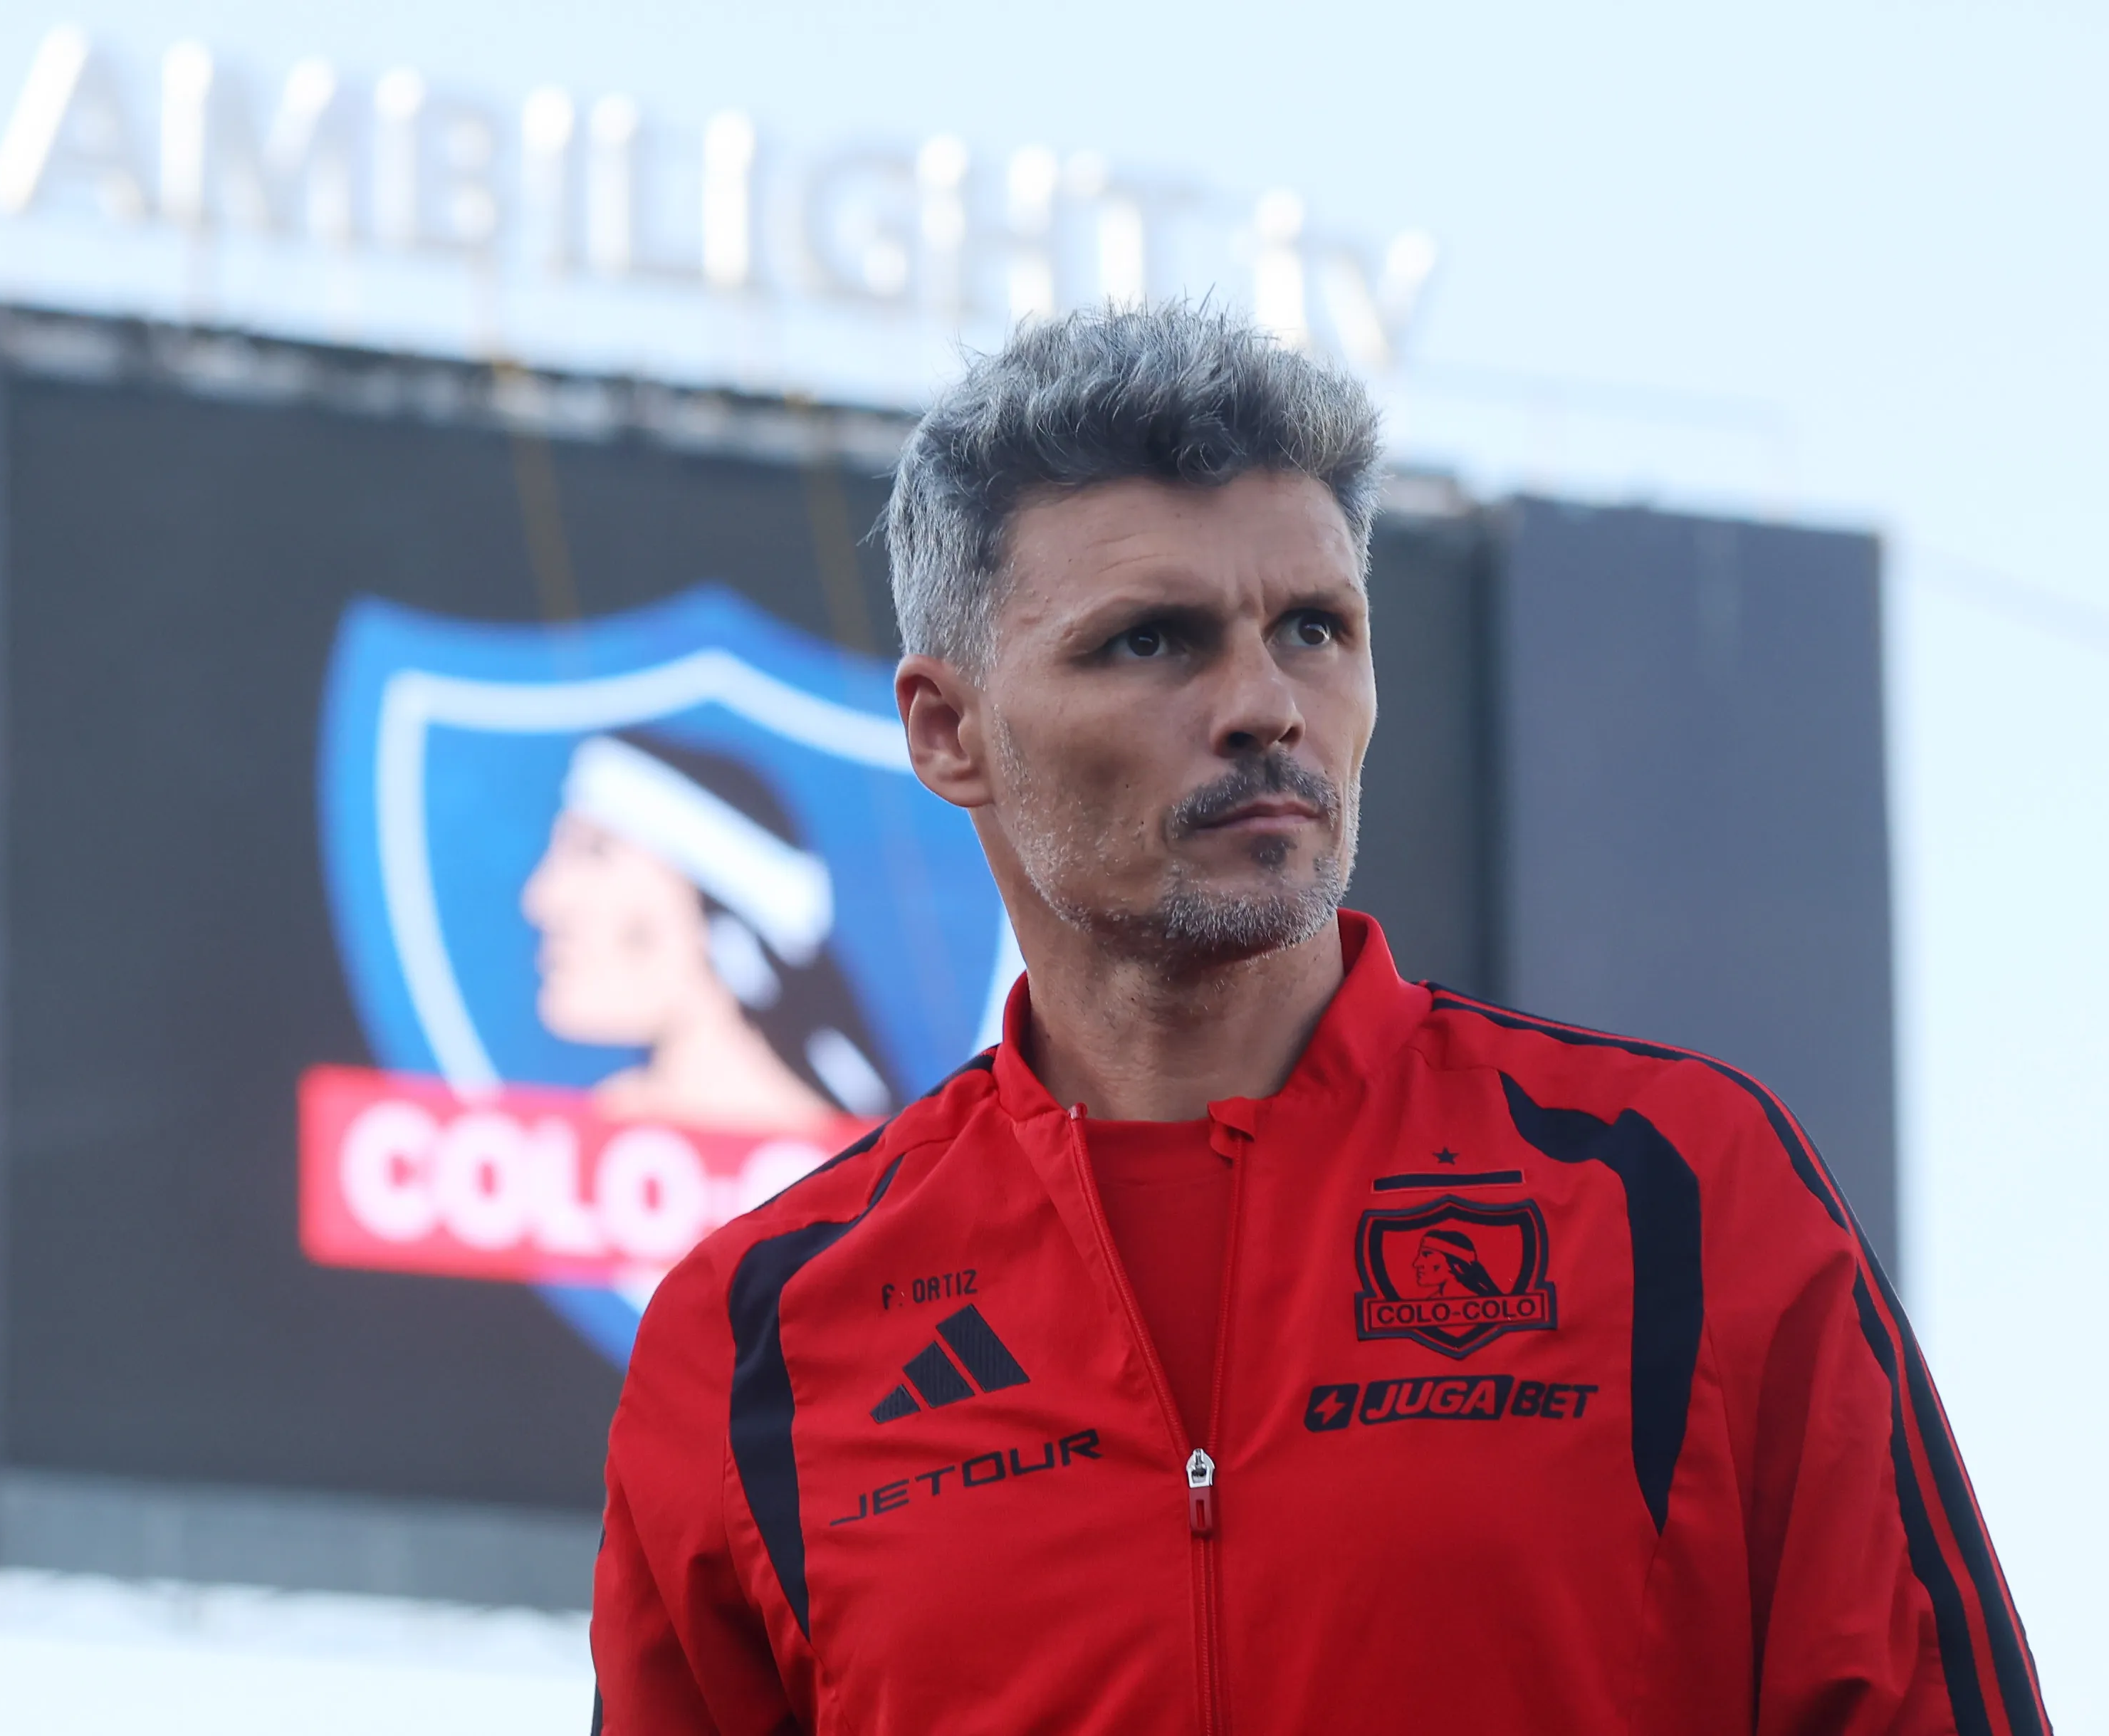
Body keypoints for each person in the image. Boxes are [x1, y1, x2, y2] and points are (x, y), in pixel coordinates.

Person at [589, 306, 2046, 1733]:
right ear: (945, 730)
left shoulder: (1685, 1193)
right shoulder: (755, 1337)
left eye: (1311, 627)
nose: (1263, 705)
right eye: (1151, 641)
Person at [521, 729, 896, 1132]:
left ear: (720, 916)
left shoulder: (837, 1158)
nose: (540, 899)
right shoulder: (598, 1131)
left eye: (594, 852)